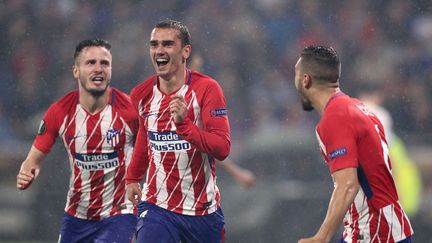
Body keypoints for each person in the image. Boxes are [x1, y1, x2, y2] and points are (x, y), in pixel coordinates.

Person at [16, 39, 138, 243]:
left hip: (120, 214)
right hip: (77, 217)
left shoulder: (131, 111)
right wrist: (28, 171)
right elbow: (33, 159)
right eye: (90, 63)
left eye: (104, 63)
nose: (98, 69)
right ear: (76, 71)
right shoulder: (59, 112)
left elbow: (154, 151)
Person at [293, 45, 413, 243]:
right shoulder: (357, 108)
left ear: (306, 79)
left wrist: (321, 237)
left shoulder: (336, 117)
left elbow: (348, 184)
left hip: (374, 232)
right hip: (381, 227)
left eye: (296, 74)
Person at [125, 20, 230, 243]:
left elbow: (222, 148)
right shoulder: (141, 95)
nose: (159, 50)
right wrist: (133, 176)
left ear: (185, 51)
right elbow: (145, 136)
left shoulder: (207, 89)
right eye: (154, 45)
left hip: (202, 211)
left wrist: (185, 126)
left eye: (167, 44)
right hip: (157, 207)